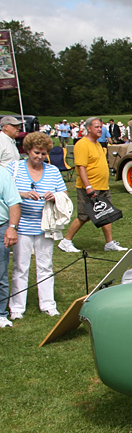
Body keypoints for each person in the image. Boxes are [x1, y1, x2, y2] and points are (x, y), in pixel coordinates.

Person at [8, 132, 67, 319]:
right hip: (21, 224)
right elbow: (5, 192)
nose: (39, 157)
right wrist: (23, 194)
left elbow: (64, 195)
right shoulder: (14, 168)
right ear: (27, 150)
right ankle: (17, 307)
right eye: (36, 153)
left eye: (43, 153)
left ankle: (48, 304)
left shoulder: (53, 171)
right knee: (20, 266)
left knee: (45, 265)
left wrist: (54, 196)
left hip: (45, 225)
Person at [58, 116, 126, 253]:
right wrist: (88, 186)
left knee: (106, 213)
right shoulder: (82, 144)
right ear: (88, 128)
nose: (100, 129)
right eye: (96, 127)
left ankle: (109, 243)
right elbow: (81, 167)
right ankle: (66, 241)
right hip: (89, 187)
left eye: (101, 127)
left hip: (102, 186)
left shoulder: (97, 144)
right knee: (84, 216)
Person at [0, 163, 20, 328]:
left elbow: (14, 203)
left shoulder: (2, 173)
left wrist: (12, 228)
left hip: (1, 227)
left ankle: (1, 314)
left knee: (0, 275)